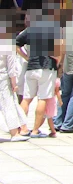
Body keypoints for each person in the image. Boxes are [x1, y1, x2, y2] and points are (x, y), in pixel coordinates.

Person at [15, 4, 62, 138]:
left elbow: (16, 43)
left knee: (27, 98)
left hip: (31, 67)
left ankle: (22, 127)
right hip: (47, 68)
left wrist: (26, 57)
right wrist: (58, 61)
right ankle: (35, 130)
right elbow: (58, 50)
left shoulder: (30, 30)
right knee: (43, 98)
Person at [0, 13, 31, 141]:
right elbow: (11, 68)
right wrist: (14, 83)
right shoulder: (8, 45)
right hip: (4, 77)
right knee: (9, 104)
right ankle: (14, 132)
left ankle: (22, 127)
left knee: (12, 103)